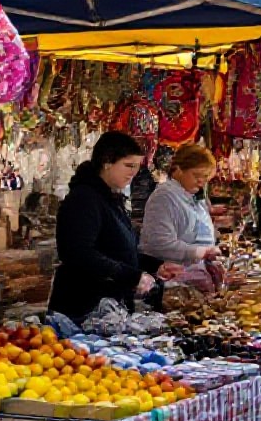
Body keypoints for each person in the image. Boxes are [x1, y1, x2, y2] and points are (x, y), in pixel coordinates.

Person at [48, 132, 178, 322]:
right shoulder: (84, 200)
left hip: (108, 310)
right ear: (107, 162)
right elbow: (79, 254)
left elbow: (117, 249)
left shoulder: (110, 198)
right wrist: (132, 277)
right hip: (83, 309)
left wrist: (155, 266)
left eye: (136, 167)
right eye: (128, 165)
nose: (133, 173)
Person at [139, 144, 223, 265]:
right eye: (197, 175)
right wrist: (201, 252)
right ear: (178, 170)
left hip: (198, 275)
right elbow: (160, 245)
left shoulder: (195, 198)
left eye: (206, 177)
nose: (202, 181)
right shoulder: (164, 197)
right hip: (173, 278)